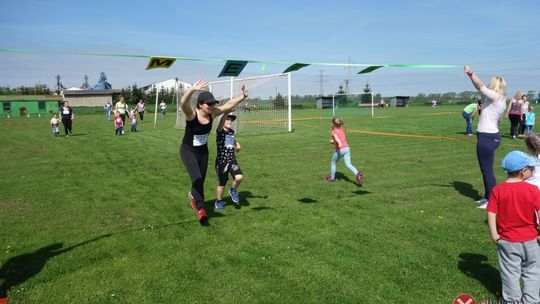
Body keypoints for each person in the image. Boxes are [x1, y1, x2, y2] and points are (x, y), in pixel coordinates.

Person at [180, 79, 248, 224]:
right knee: (197, 178)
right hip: (188, 151)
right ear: (200, 104)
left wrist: (243, 97)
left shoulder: (212, 113)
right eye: (209, 104)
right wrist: (192, 89)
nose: (212, 106)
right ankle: (201, 209)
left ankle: (193, 195)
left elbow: (228, 105)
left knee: (201, 180)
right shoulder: (192, 114)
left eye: (213, 103)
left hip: (203, 151)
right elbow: (183, 103)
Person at [485, 150, 540, 303]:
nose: (533, 170)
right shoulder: (533, 190)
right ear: (523, 171)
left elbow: (491, 213)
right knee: (533, 272)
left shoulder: (498, 190)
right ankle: (531, 300)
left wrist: (494, 234)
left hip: (508, 241)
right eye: (531, 168)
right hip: (532, 240)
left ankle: (511, 300)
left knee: (510, 272)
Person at [464, 65, 507, 207]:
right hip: (490, 136)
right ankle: (488, 196)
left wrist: (470, 73)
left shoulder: (495, 97)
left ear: (493, 85)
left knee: (487, 170)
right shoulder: (498, 99)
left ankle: (492, 201)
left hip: (487, 137)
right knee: (486, 170)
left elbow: (479, 85)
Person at [214, 113, 243, 211]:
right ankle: (218, 201)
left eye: (231, 120)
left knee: (239, 177)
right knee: (222, 185)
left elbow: (231, 138)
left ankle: (233, 189)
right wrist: (226, 111)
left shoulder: (231, 131)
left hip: (231, 160)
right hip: (221, 162)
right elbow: (221, 122)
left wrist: (237, 143)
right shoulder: (220, 131)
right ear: (222, 122)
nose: (230, 121)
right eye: (227, 119)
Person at [325, 117, 364, 186]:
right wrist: (333, 142)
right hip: (347, 148)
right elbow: (339, 140)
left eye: (332, 123)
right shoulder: (341, 131)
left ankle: (332, 178)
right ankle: (357, 173)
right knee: (348, 164)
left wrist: (339, 143)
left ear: (334, 124)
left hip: (340, 149)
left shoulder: (334, 131)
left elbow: (337, 138)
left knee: (333, 162)